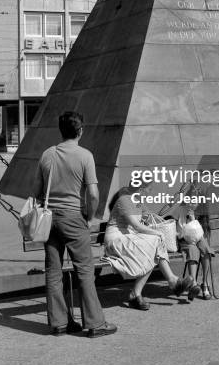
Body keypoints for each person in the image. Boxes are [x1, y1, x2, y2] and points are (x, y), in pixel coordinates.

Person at [35, 111, 117, 338]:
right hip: (73, 217)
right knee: (84, 270)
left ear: (61, 130)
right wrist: (89, 218)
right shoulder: (84, 156)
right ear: (81, 130)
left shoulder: (47, 155)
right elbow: (92, 193)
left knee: (53, 272)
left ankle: (59, 323)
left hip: (49, 219)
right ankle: (94, 324)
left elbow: (36, 192)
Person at [104, 183, 196, 310]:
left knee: (154, 247)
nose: (150, 191)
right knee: (154, 242)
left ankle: (139, 293)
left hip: (130, 239)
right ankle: (171, 282)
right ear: (141, 189)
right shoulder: (124, 200)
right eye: (149, 189)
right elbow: (136, 226)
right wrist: (158, 233)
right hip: (117, 240)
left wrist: (168, 227)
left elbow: (152, 217)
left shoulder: (138, 201)